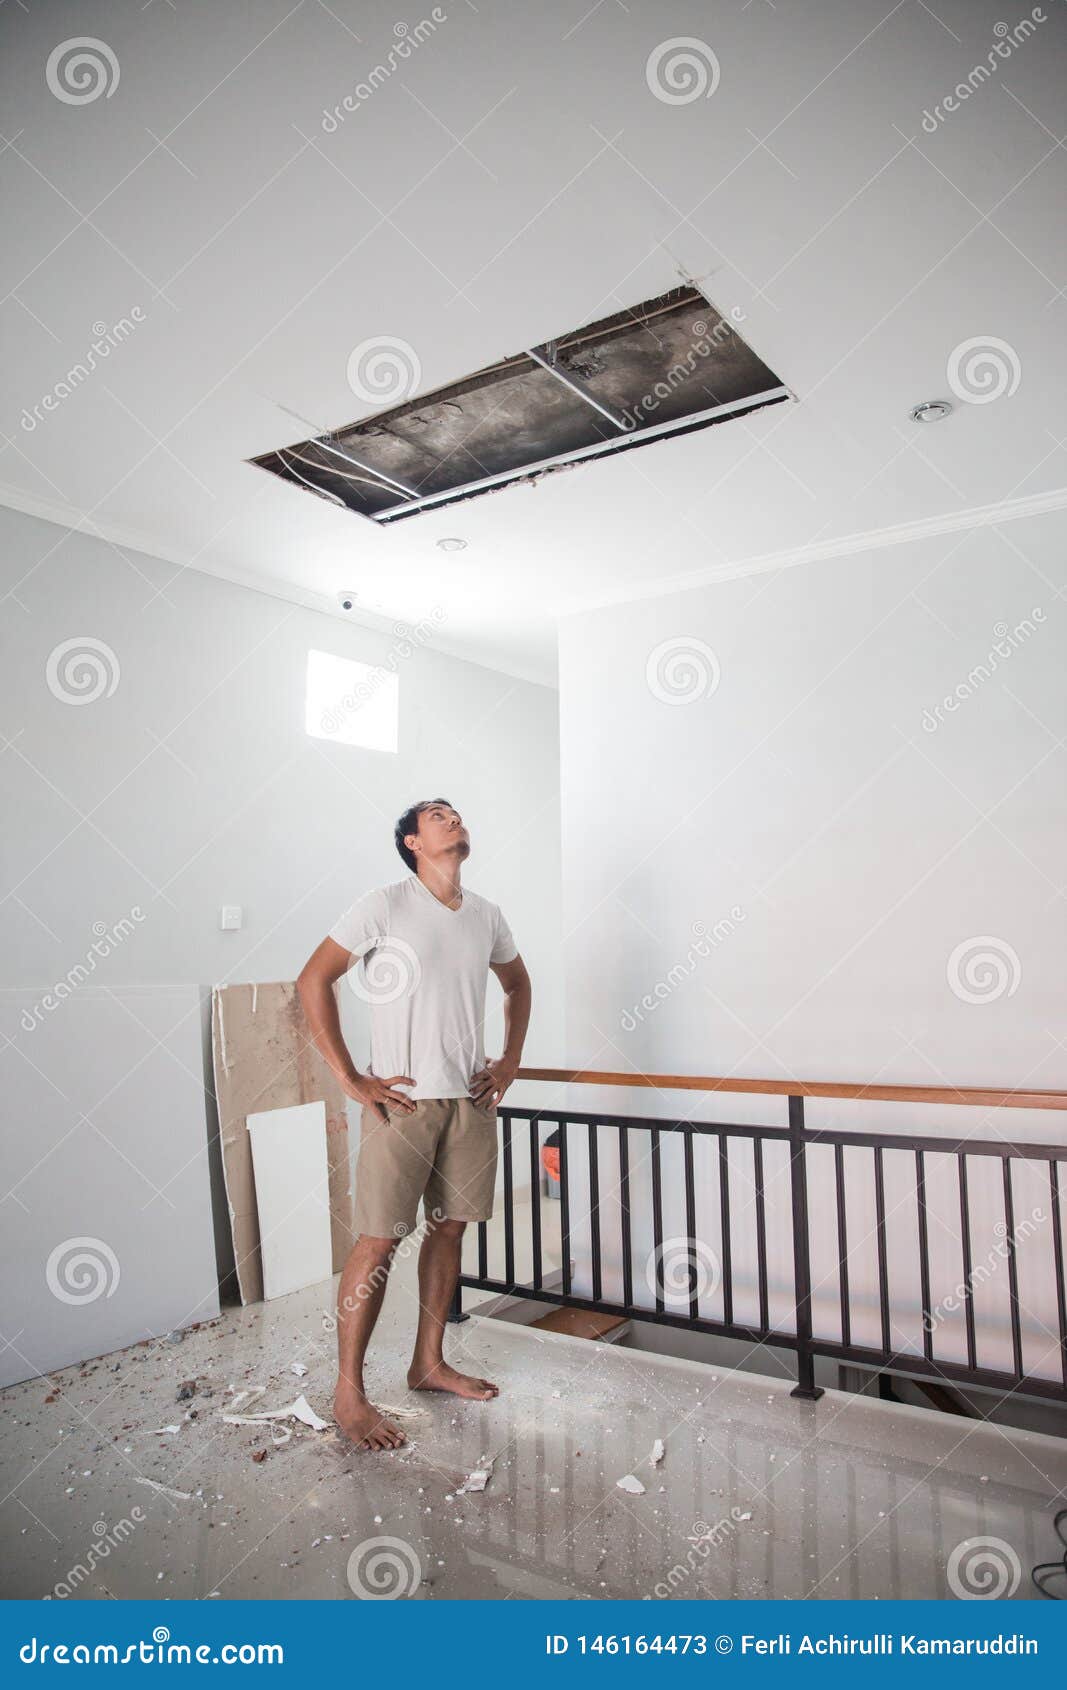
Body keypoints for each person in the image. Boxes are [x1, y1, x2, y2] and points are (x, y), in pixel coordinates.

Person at [297, 799, 531, 1452]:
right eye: (437, 816)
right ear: (411, 842)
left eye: (456, 813)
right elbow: (314, 978)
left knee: (449, 1229)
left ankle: (427, 1364)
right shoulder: (383, 905)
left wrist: (507, 1061)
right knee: (376, 1244)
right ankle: (349, 1392)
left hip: (468, 1101)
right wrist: (349, 1077)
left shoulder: (486, 915)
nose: (453, 820)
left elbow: (517, 985)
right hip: (400, 1101)